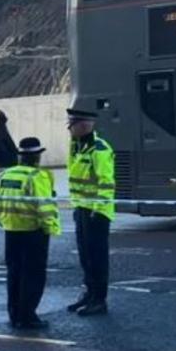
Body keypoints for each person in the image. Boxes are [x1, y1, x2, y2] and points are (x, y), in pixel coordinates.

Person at [0, 137, 61, 330]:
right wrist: (50, 228)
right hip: (33, 232)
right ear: (37, 156)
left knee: (14, 274)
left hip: (11, 231)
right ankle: (28, 316)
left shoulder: (6, 175)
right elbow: (44, 206)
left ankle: (14, 315)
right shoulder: (37, 176)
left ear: (21, 156)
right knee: (33, 275)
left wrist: (5, 222)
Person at [65, 108, 115, 317]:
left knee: (97, 257)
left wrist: (98, 210)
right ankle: (89, 293)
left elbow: (106, 182)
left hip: (97, 212)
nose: (69, 129)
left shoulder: (99, 149)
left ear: (84, 125)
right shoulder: (76, 146)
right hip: (82, 208)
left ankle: (99, 300)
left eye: (72, 125)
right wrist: (77, 207)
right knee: (85, 255)